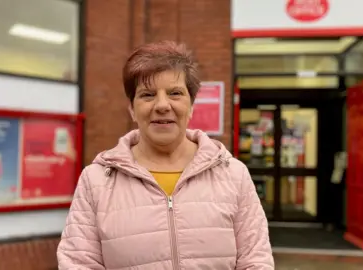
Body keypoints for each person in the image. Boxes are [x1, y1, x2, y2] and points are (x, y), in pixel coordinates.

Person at [57, 41, 274, 270]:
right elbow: (78, 264)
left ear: (191, 106)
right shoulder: (97, 181)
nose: (162, 105)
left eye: (175, 93)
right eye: (148, 95)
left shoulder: (233, 175)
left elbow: (255, 260)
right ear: (132, 108)